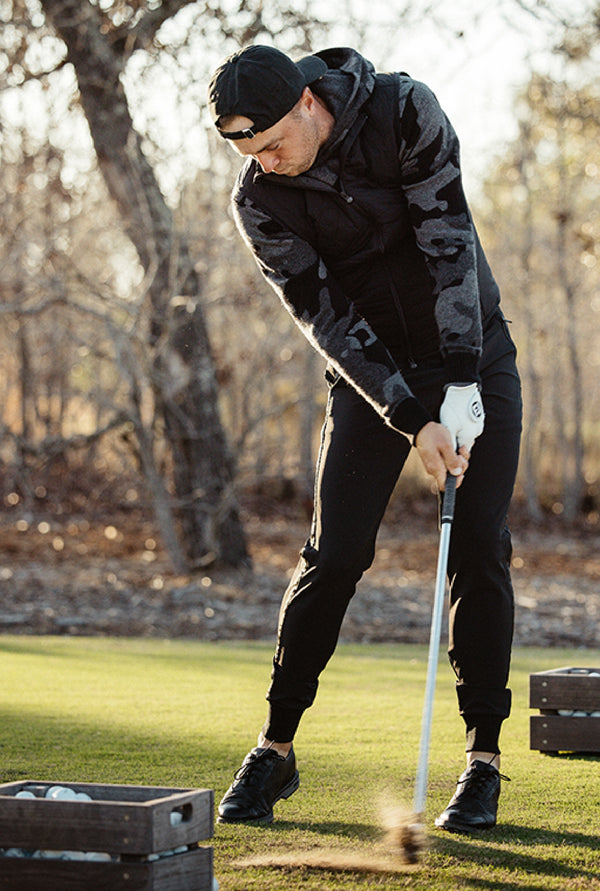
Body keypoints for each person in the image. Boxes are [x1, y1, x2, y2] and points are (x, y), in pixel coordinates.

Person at [207, 44, 522, 834]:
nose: (265, 163)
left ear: (308, 103)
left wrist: (460, 380)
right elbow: (325, 317)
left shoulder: (404, 111)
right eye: (249, 153)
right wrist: (411, 416)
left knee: (479, 544)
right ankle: (275, 748)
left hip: (473, 352)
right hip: (373, 375)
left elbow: (448, 241)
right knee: (335, 552)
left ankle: (482, 761)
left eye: (271, 143)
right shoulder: (260, 200)